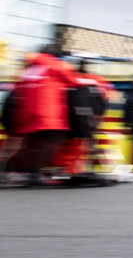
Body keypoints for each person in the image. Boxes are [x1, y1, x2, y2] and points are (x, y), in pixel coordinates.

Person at [7, 44, 79, 185]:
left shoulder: (28, 70)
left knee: (31, 143)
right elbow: (73, 81)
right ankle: (35, 173)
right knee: (53, 141)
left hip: (26, 113)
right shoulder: (55, 65)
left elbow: (17, 87)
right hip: (48, 114)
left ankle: (27, 173)